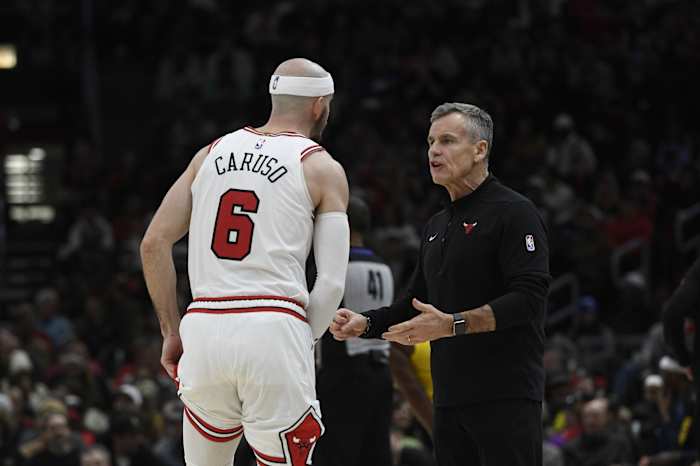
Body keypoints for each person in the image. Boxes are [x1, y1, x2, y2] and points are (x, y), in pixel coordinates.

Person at [140, 58, 350, 466]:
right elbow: (330, 286)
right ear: (320, 105)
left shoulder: (209, 154)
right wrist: (298, 339)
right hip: (274, 323)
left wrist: (170, 330)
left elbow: (153, 243)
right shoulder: (321, 166)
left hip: (203, 328)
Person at [330, 102, 551, 465]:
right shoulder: (436, 225)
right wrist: (365, 324)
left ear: (480, 150)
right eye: (431, 141)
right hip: (448, 400)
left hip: (505, 395)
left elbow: (528, 300)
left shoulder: (515, 212)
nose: (434, 150)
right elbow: (414, 302)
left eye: (447, 141)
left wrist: (451, 324)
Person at [314, 195, 394, 466]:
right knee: (375, 453)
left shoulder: (334, 267)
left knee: (336, 454)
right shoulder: (384, 266)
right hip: (381, 373)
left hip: (344, 374)